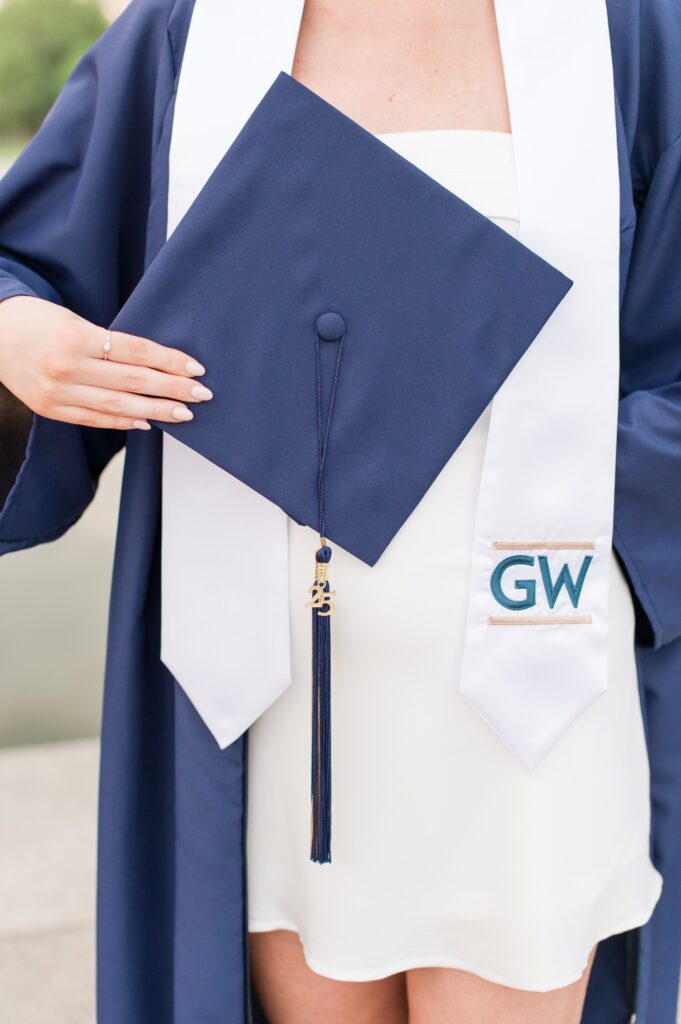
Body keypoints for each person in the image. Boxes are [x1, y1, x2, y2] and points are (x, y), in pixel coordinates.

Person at [0, 2, 680, 1023]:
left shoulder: (633, 33)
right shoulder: (189, 31)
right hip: (263, 709)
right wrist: (17, 335)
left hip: (533, 700)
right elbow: (30, 261)